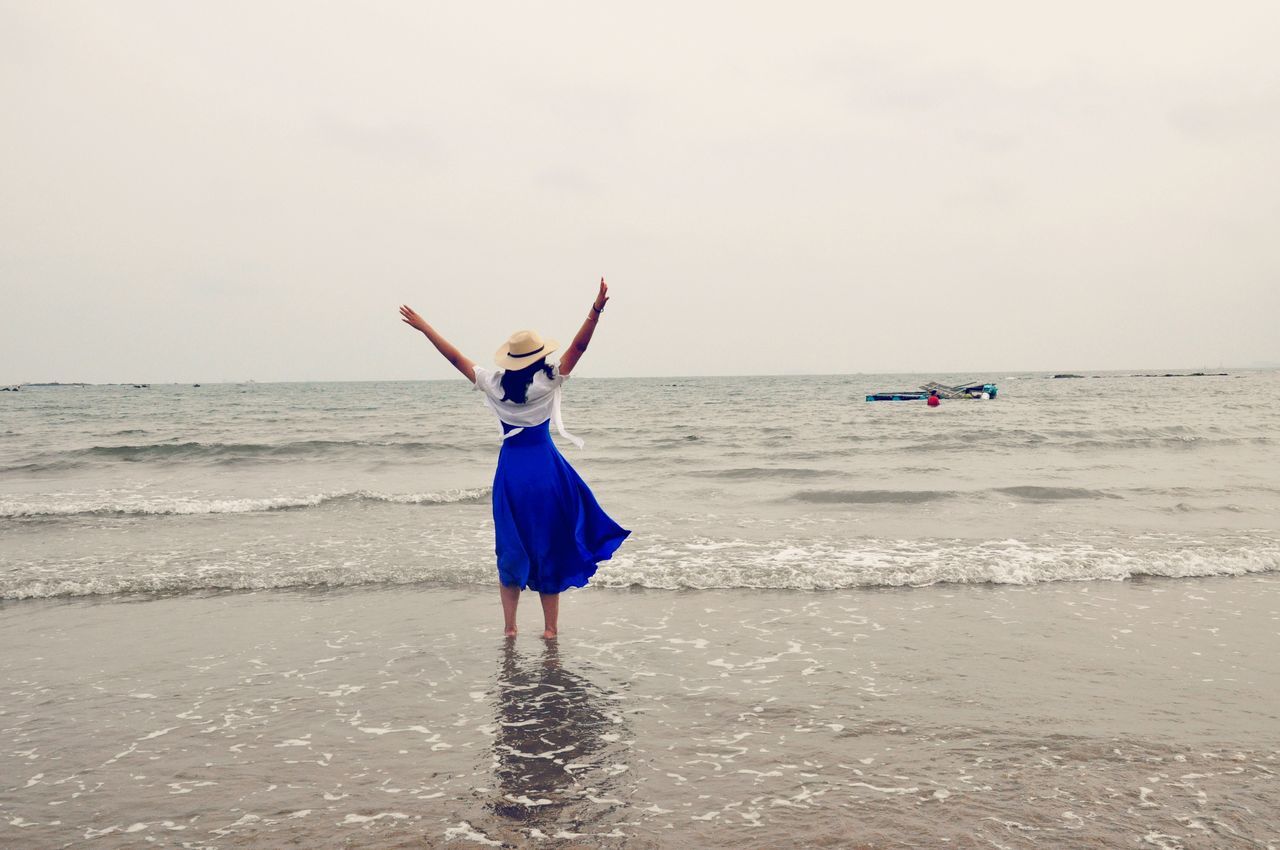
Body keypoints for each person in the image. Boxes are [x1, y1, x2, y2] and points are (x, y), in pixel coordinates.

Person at [399, 278, 630, 640]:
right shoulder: (548, 381)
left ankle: (510, 628)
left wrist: (424, 326)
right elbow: (580, 346)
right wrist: (596, 309)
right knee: (549, 542)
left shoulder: (493, 383)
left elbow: (454, 357)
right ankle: (551, 630)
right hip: (546, 471)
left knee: (511, 545)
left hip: (511, 474)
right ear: (539, 357)